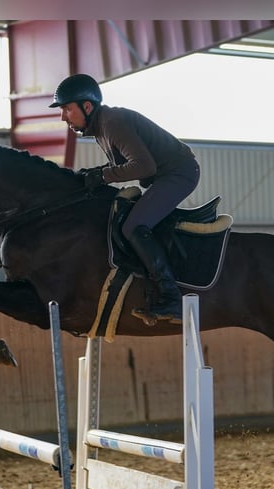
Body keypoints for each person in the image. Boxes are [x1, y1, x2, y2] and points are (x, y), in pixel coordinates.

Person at [49, 73, 200, 324]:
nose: (63, 116)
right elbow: (122, 166)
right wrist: (97, 174)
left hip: (179, 174)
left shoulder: (112, 123)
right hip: (165, 175)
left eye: (66, 109)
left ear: (87, 106)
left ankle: (171, 298)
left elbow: (143, 166)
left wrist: (102, 176)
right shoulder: (101, 126)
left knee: (133, 226)